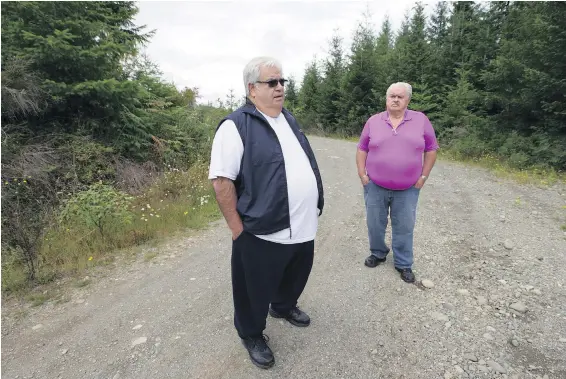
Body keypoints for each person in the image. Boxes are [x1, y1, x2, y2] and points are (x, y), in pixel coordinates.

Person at [208, 56, 324, 369]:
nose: (279, 87)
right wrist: (237, 230)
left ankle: (283, 307)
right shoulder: (236, 126)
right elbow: (221, 182)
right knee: (252, 289)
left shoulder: (288, 118)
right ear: (252, 89)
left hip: (301, 225)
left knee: (295, 274)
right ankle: (251, 333)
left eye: (282, 81)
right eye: (271, 82)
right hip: (260, 231)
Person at [356, 82, 439, 283]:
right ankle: (378, 253)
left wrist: (423, 177)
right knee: (374, 223)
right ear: (386, 99)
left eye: (399, 97)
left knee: (404, 226)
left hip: (408, 188)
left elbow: (431, 149)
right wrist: (362, 175)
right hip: (375, 185)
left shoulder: (421, 120)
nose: (395, 99)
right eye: (391, 96)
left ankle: (403, 263)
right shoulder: (374, 121)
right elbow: (362, 148)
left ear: (407, 100)